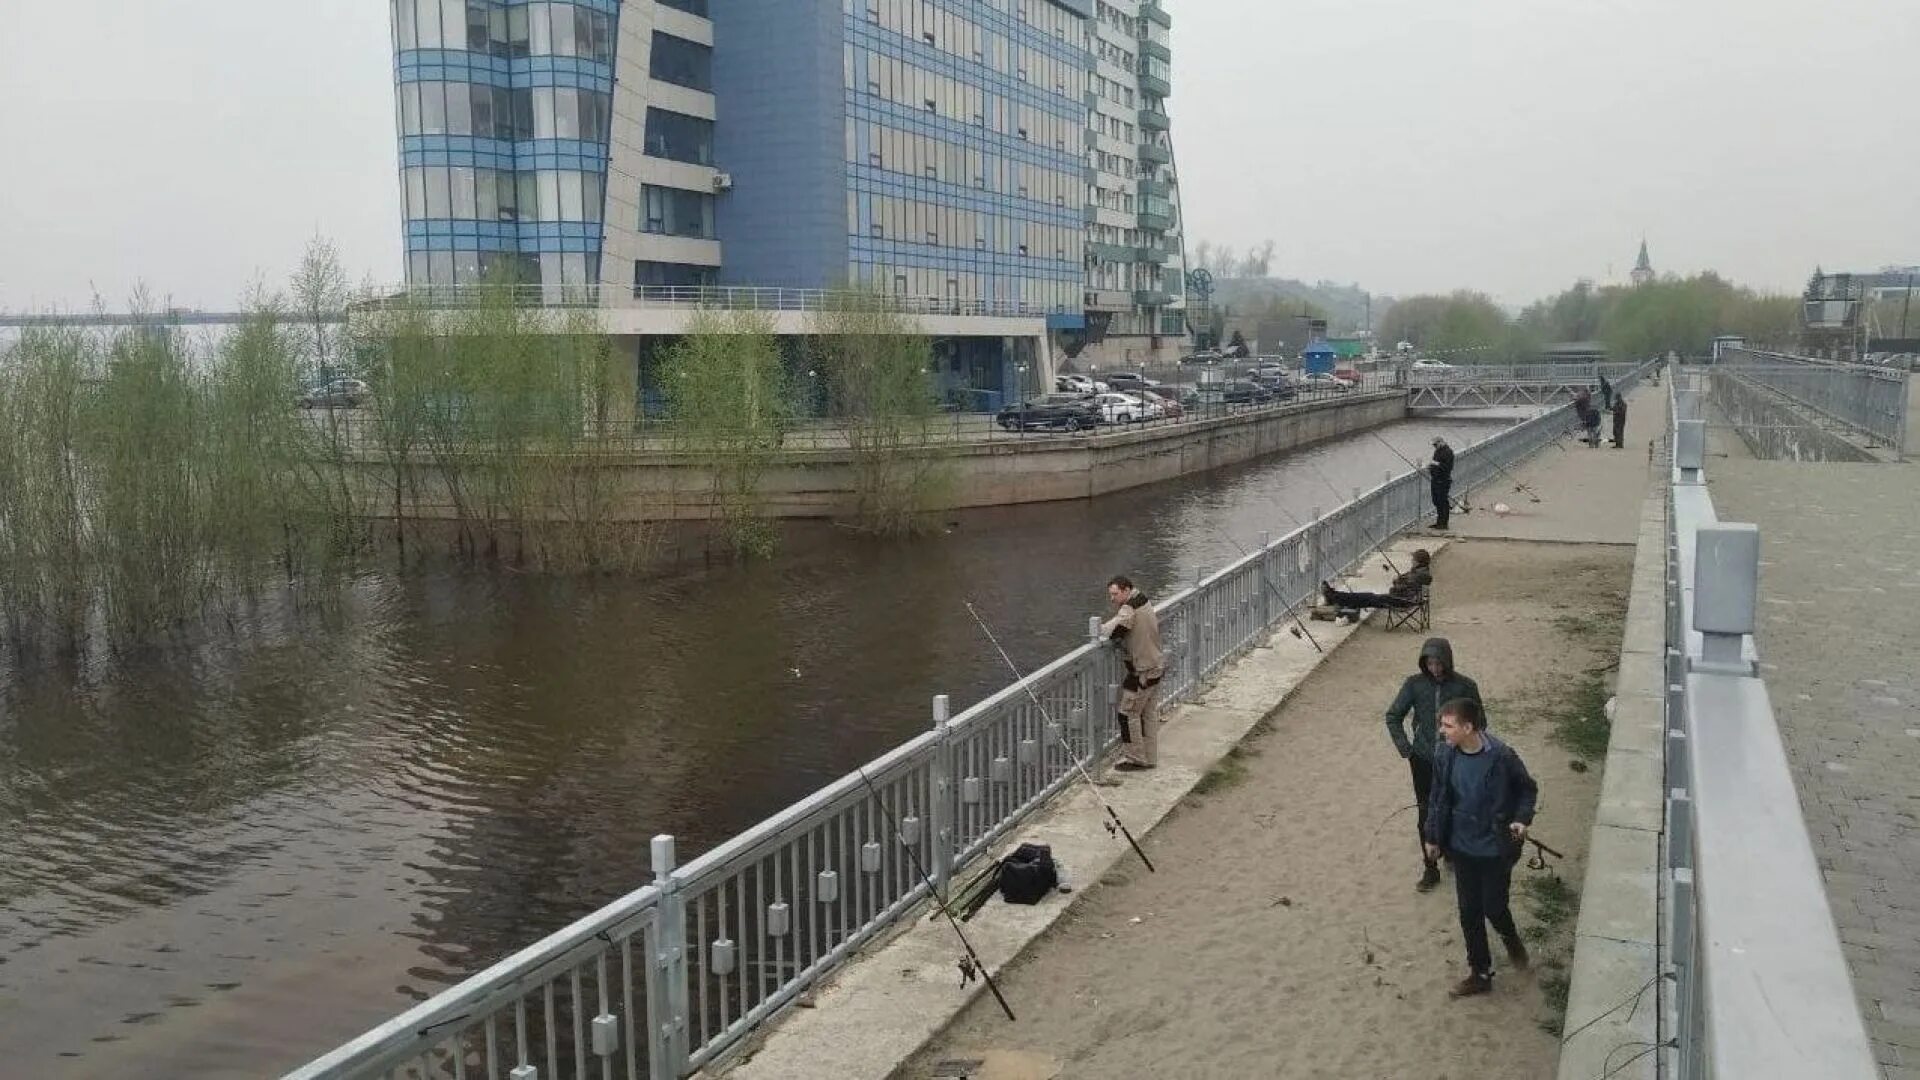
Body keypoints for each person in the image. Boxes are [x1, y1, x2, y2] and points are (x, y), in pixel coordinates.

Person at [1424, 698, 1537, 997]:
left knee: (1494, 908)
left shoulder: (1502, 757)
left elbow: (1527, 789)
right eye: (1442, 724)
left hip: (1495, 850)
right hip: (1461, 849)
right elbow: (1437, 796)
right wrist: (1433, 837)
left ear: (1468, 727)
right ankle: (1480, 973)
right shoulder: (1444, 755)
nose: (1442, 731)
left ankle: (1512, 942)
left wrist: (1521, 819)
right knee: (1468, 912)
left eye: (1448, 726)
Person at [1384, 638, 1487, 891]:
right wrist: (1406, 748)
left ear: (1448, 662)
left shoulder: (1465, 685)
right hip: (1423, 760)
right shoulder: (1414, 685)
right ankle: (1430, 868)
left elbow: (1480, 721)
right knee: (1426, 814)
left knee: (1457, 808)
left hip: (1456, 760)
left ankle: (1452, 851)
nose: (1435, 668)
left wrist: (1467, 747)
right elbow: (1393, 716)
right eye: (1430, 663)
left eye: (1439, 663)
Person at [1100, 575, 1164, 772]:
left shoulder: (1129, 608)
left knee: (1127, 713)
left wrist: (1100, 630)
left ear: (1127, 590)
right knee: (1149, 714)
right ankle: (1150, 757)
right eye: (1110, 594)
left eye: (1115, 594)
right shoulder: (1143, 600)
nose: (1112, 599)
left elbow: (1113, 629)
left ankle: (1136, 758)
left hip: (1142, 671)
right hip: (1156, 666)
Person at [1321, 549, 1432, 611]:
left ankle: (1333, 596)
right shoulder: (1421, 572)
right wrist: (1401, 580)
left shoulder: (1418, 574)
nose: (1411, 561)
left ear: (1418, 562)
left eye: (1413, 559)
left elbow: (1400, 587)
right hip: (1401, 599)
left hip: (1400, 601)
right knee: (1365, 598)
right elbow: (1407, 584)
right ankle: (1335, 597)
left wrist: (1397, 581)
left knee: (1367, 597)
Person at [1427, 437, 1454, 530]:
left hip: (1443, 480)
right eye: (1433, 445)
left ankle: (1444, 523)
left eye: (1435, 444)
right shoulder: (1437, 451)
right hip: (1435, 479)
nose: (1434, 446)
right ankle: (1439, 522)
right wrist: (1431, 467)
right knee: (1436, 501)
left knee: (1443, 501)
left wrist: (1437, 464)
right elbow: (1435, 463)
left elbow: (1448, 467)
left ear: (1441, 442)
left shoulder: (1448, 452)